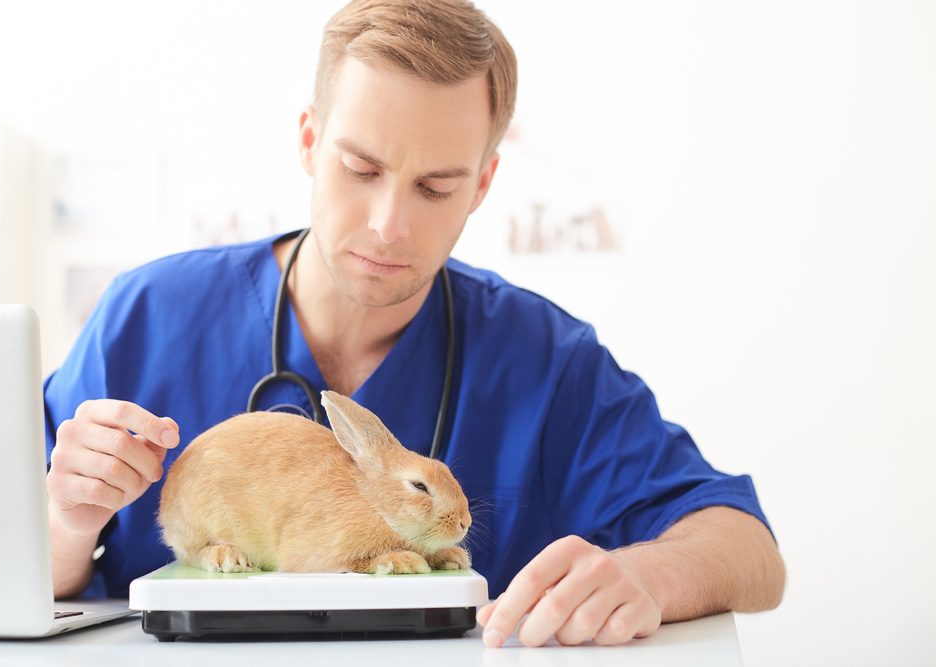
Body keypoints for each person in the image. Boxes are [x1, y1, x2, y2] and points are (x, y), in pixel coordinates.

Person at [44, 0, 785, 648]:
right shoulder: (146, 318)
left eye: (435, 186)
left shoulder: (545, 361)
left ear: (483, 185)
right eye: (361, 169)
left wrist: (649, 572)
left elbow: (748, 547)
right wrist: (67, 525)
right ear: (308, 141)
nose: (388, 226)